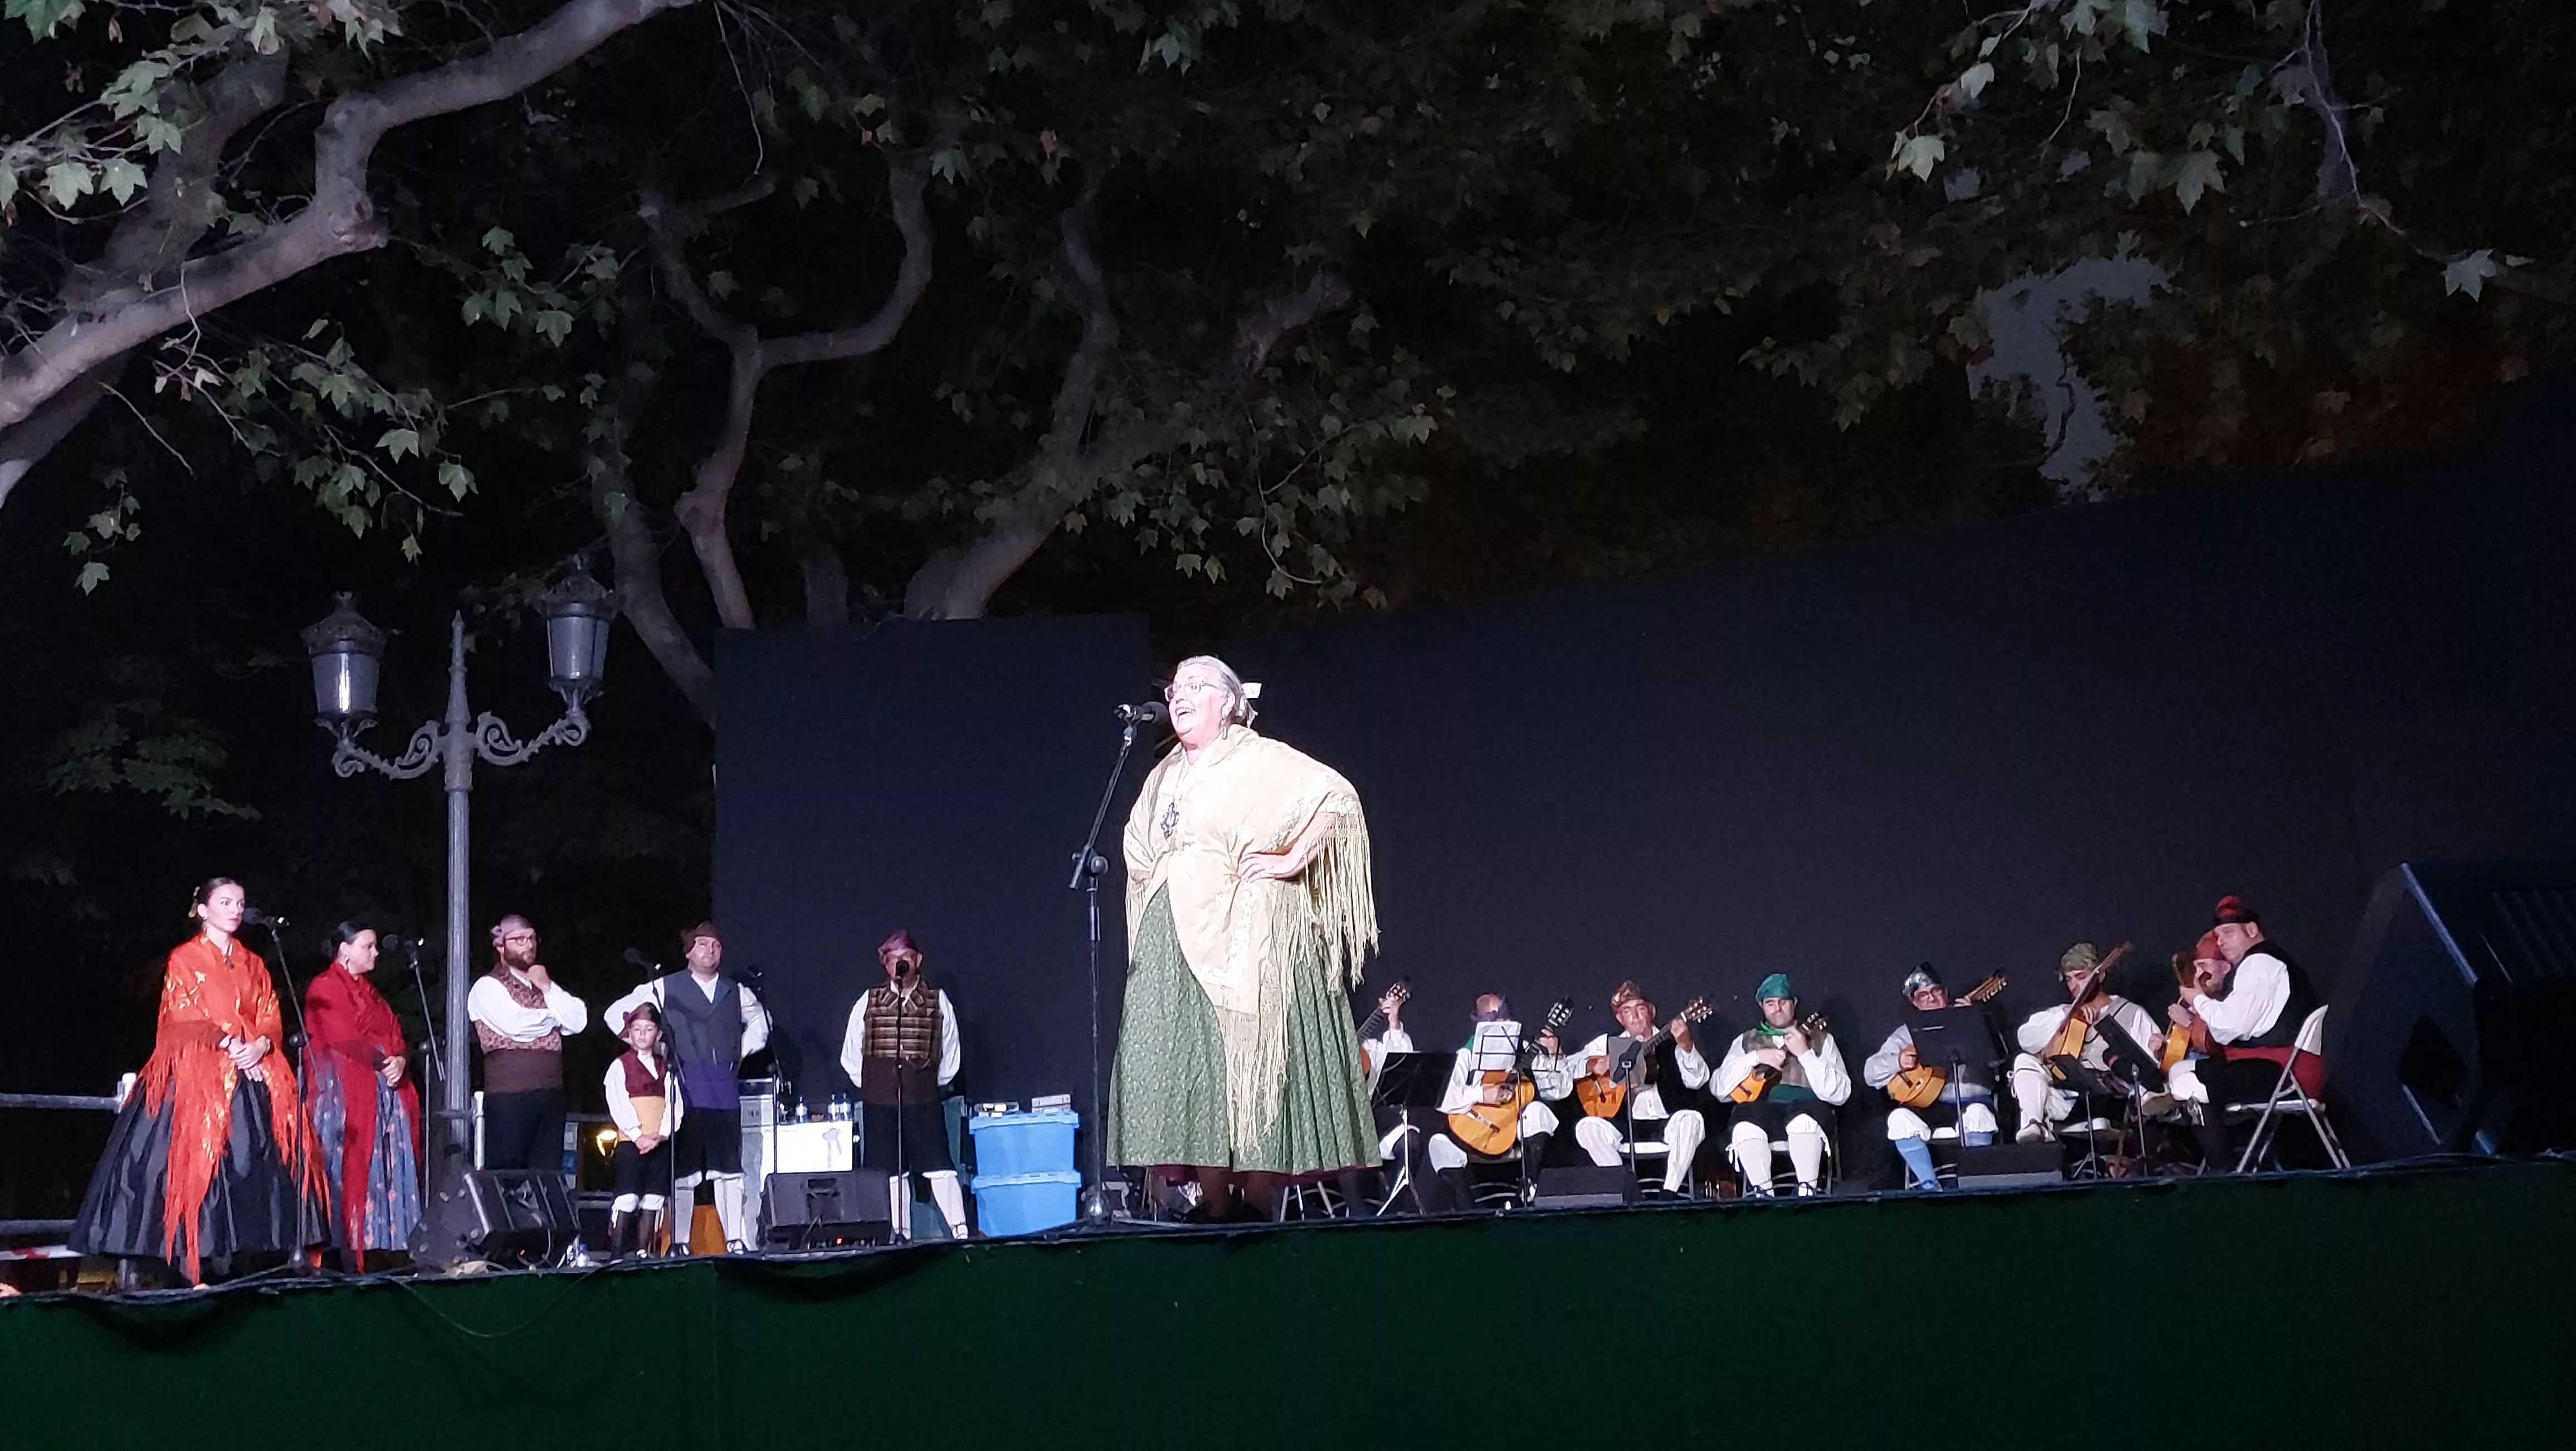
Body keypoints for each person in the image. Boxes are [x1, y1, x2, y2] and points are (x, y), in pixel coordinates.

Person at [1106, 655, 1381, 1223]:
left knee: (1251, 1061)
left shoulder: (1259, 760)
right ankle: (1211, 1200)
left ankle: (1256, 1200)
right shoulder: (1163, 775)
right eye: (1175, 687)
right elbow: (1137, 845)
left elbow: (1335, 799)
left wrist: (1290, 860)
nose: (1179, 696)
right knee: (1197, 1065)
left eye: (1195, 687)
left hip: (1246, 939)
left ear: (1230, 703)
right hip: (1176, 939)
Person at [70, 878, 325, 1284]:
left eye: (240, 903)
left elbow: (269, 1014)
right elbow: (179, 1017)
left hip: (251, 1070)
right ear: (203, 910)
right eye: (225, 902)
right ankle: (189, 1264)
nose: (236, 910)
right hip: (199, 1074)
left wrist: (258, 1045)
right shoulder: (185, 959)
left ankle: (251, 1260)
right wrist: (226, 1041)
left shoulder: (253, 963)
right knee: (188, 1163)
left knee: (256, 1159)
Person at [606, 922, 769, 1253]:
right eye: (702, 945)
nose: (710, 951)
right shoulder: (665, 987)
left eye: (716, 946)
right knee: (683, 1172)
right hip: (684, 1092)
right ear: (688, 952)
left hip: (724, 1091)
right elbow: (614, 1015)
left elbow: (761, 1024)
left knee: (729, 1171)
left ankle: (735, 1239)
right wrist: (650, 1046)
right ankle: (679, 1242)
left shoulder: (735, 991)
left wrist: (740, 1049)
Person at [2165, 895, 2324, 1168]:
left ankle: (2223, 1172)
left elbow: (2228, 1029)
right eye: (2218, 935)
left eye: (2228, 933)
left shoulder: (2259, 962)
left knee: (2186, 1083)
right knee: (2182, 1073)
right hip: (2286, 1067)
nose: (2222, 941)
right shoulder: (2263, 962)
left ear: (2251, 931)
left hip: (2286, 1071)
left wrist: (2197, 1001)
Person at [303, 922, 422, 1268]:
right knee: (346, 1166)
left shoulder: (371, 992)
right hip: (344, 1094)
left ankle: (384, 1246)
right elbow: (341, 1036)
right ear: (345, 949)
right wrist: (385, 1059)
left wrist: (400, 1059)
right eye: (368, 946)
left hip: (381, 1089)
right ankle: (345, 1247)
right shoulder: (324, 987)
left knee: (384, 1167)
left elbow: (395, 1033)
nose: (376, 952)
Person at [838, 930, 967, 1240]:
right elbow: (850, 1054)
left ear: (918, 960)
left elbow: (951, 1053)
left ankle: (960, 1232)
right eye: (893, 959)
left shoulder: (937, 1000)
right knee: (890, 1173)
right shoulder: (868, 1001)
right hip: (880, 1102)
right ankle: (899, 1234)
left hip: (922, 1099)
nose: (900, 964)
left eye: (905, 957)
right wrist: (876, 1084)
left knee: (939, 1166)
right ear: (885, 965)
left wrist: (923, 1082)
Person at [466, 914, 588, 1175]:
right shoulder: (487, 986)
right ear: (501, 946)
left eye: (532, 939)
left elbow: (578, 1021)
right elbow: (518, 1025)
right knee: (506, 1175)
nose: (529, 945)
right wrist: (556, 1019)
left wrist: (547, 986)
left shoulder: (544, 987)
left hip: (551, 1096)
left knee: (547, 1177)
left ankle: (541, 1218)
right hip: (510, 1097)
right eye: (520, 940)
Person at [2008, 943, 2166, 1145]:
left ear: (2100, 976)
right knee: (2024, 1061)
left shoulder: (2132, 1013)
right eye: (2069, 979)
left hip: (2111, 1098)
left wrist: (2158, 1050)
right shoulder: (2062, 1012)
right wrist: (2066, 1014)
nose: (2075, 986)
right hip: (2069, 1099)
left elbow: (2151, 1067)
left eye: (2081, 977)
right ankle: (2034, 1124)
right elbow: (2025, 1039)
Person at [1423, 995, 1572, 1210]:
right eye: (1493, 1018)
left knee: (1539, 1111)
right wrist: (1482, 1095)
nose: (1502, 1023)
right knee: (1439, 1144)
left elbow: (1558, 1091)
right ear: (1480, 1022)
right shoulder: (1467, 1053)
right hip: (1471, 1132)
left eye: (1504, 1016)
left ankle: (1528, 1187)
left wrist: (1554, 1054)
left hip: (1512, 1133)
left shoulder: (1526, 1047)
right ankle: (1470, 1213)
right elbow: (1443, 1098)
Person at [1863, 964, 2001, 1191]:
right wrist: (1898, 1061)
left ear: (1945, 994)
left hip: (1970, 1100)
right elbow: (1870, 1073)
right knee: (1899, 1120)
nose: (1931, 999)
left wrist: (1974, 1022)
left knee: (1979, 1115)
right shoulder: (1906, 1033)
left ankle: (1975, 1186)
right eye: (1922, 996)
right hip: (1927, 1105)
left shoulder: (1973, 1021)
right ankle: (1930, 1186)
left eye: (1936, 991)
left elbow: (1997, 1061)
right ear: (1914, 1004)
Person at [1567, 982, 1710, 1198]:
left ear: (1651, 1012)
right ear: (1619, 1019)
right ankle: (1627, 1191)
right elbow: (1564, 1069)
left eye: (1640, 1009)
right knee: (1586, 1127)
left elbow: (1698, 1080)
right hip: (1625, 1125)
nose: (1635, 1016)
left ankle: (1668, 1193)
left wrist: (1687, 1045)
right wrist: (1592, 1065)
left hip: (1665, 1121)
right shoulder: (1606, 1044)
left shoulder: (1670, 1041)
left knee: (1692, 1120)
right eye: (1627, 1011)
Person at [1715, 973, 1850, 1196]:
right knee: (1744, 1122)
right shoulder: (1746, 1041)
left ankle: (1808, 1193)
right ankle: (1763, 1196)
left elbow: (1842, 1093)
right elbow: (1719, 1090)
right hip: (1764, 1112)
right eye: (1770, 1003)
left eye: (1783, 1002)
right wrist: (1756, 1057)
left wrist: (1805, 1055)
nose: (1777, 1008)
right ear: (1762, 1006)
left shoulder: (1821, 1039)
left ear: (1794, 1004)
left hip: (1807, 1109)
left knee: (1803, 1121)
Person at [603, 1001, 681, 1258]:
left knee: (654, 1197)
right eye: (637, 1030)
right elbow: (618, 1102)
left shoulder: (665, 1067)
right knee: (628, 1196)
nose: (642, 1035)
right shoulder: (621, 1066)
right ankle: (616, 1254)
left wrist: (663, 1133)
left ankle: (643, 1251)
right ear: (629, 1033)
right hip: (632, 1142)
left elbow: (674, 1103)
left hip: (659, 1141)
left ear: (658, 1034)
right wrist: (637, 1136)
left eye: (648, 1030)